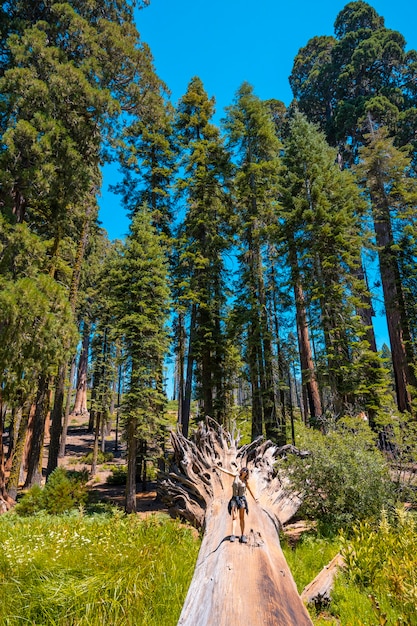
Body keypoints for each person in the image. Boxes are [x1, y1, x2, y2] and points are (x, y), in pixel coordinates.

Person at [215, 465, 257, 543]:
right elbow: (227, 472)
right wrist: (218, 468)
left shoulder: (245, 482)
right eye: (244, 470)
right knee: (234, 517)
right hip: (234, 499)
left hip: (242, 500)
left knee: (242, 518)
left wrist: (255, 498)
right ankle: (233, 535)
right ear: (241, 471)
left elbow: (250, 490)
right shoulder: (236, 476)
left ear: (247, 473)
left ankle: (242, 535)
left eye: (246, 471)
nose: (245, 471)